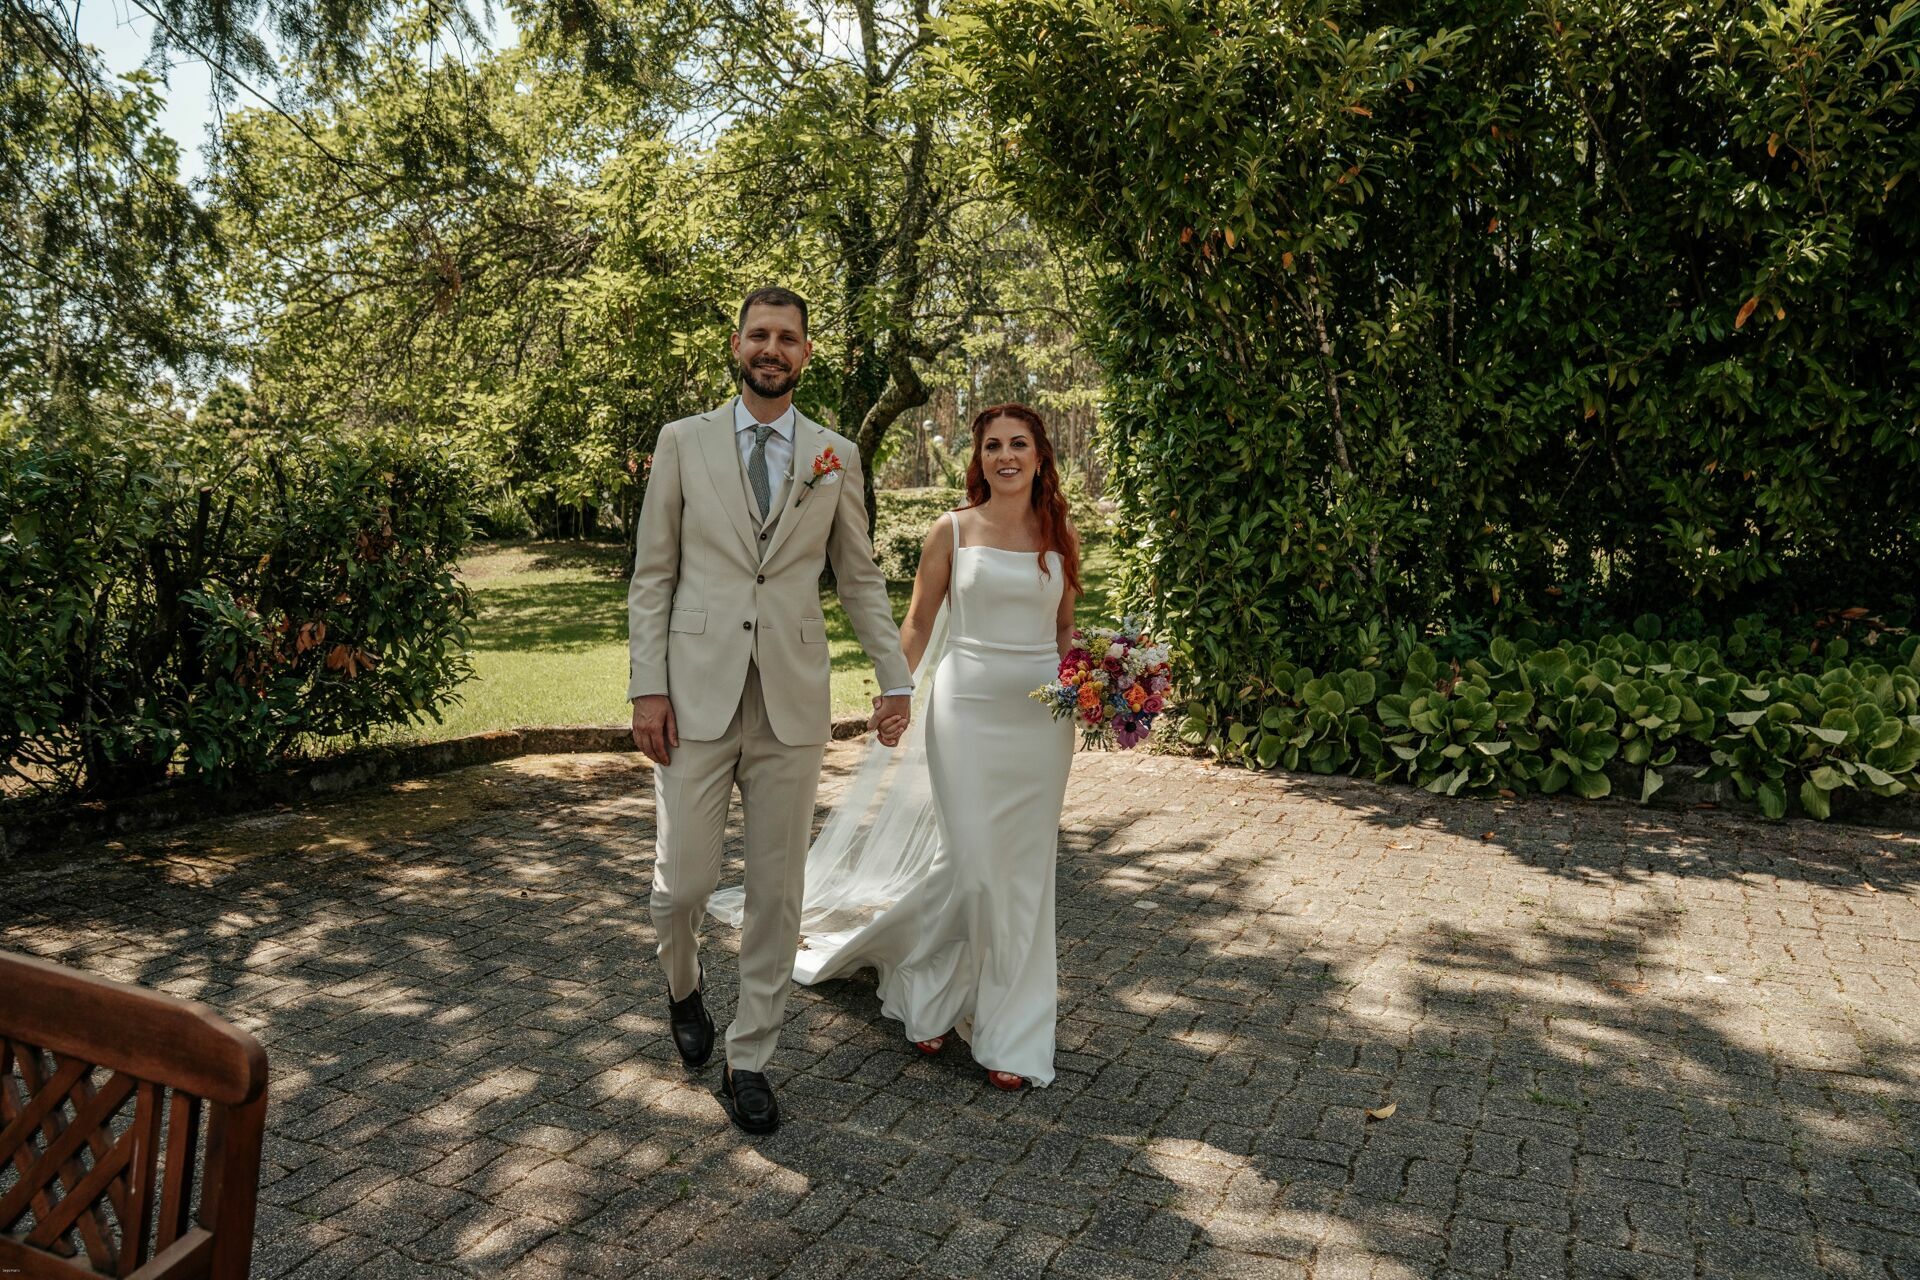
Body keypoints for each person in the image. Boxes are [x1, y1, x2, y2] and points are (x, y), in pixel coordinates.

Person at [717, 402, 1080, 1089]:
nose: (1006, 456)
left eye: (1019, 445)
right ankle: (924, 983)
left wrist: (1099, 682)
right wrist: (894, 691)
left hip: (1041, 723)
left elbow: (1063, 633)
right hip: (966, 713)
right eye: (993, 446)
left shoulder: (1059, 532)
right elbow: (916, 622)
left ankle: (1010, 1032)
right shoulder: (952, 531)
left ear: (1040, 456)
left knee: (1025, 877)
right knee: (974, 867)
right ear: (980, 459)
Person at [626, 286, 912, 1134]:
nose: (772, 349)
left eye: (787, 338)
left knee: (778, 894)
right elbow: (653, 576)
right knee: (683, 886)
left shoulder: (836, 454)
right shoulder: (683, 442)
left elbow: (857, 578)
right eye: (759, 334)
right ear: (737, 345)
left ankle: (751, 1058)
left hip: (792, 700)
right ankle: (682, 988)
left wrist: (894, 675)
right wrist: (648, 685)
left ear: (806, 354)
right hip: (692, 695)